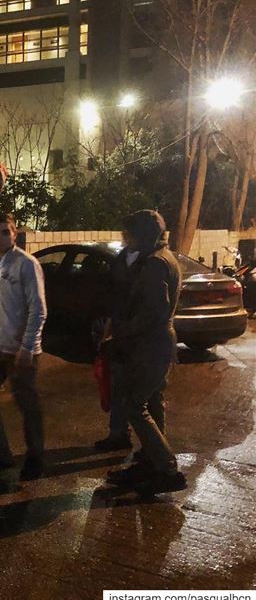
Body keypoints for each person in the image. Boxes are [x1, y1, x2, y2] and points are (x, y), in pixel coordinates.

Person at [103, 210, 187, 495]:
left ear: (143, 235)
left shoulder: (154, 264)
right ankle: (150, 459)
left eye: (130, 233)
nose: (126, 238)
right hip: (158, 343)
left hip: (151, 344)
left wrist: (121, 332)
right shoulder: (165, 258)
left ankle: (166, 467)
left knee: (134, 404)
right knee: (152, 401)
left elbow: (153, 312)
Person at [0, 213, 47, 481]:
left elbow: (38, 309)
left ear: (15, 234)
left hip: (20, 349)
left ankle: (35, 457)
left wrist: (27, 347)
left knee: (27, 404)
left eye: (6, 232)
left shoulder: (27, 264)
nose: (1, 237)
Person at [92, 242, 141, 452]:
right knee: (118, 385)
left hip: (134, 337)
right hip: (122, 333)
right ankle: (119, 433)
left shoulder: (150, 262)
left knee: (134, 394)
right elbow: (116, 302)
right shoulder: (125, 258)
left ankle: (151, 451)